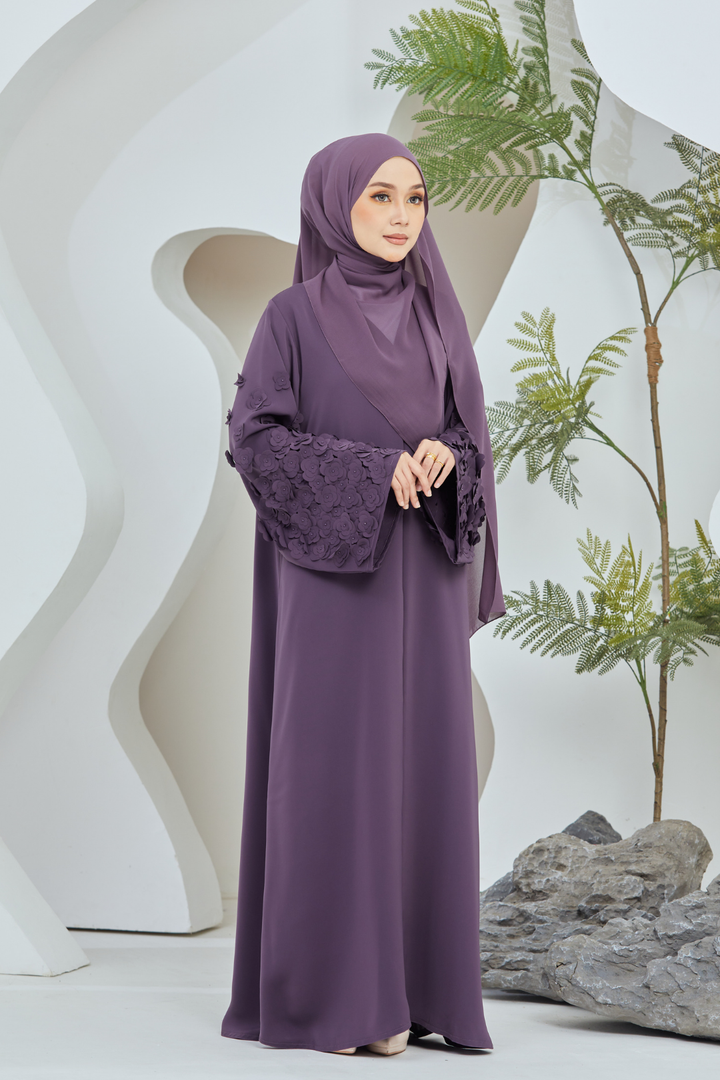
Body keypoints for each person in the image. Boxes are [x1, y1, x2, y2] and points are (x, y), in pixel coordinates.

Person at [220, 133, 503, 1056]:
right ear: (334, 202)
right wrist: (373, 471)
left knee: (421, 774)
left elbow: (468, 439)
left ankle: (409, 997)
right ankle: (331, 999)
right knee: (336, 770)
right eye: (380, 196)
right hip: (334, 580)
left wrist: (444, 458)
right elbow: (256, 440)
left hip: (425, 573)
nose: (400, 215)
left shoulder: (436, 313)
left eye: (414, 199)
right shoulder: (291, 317)